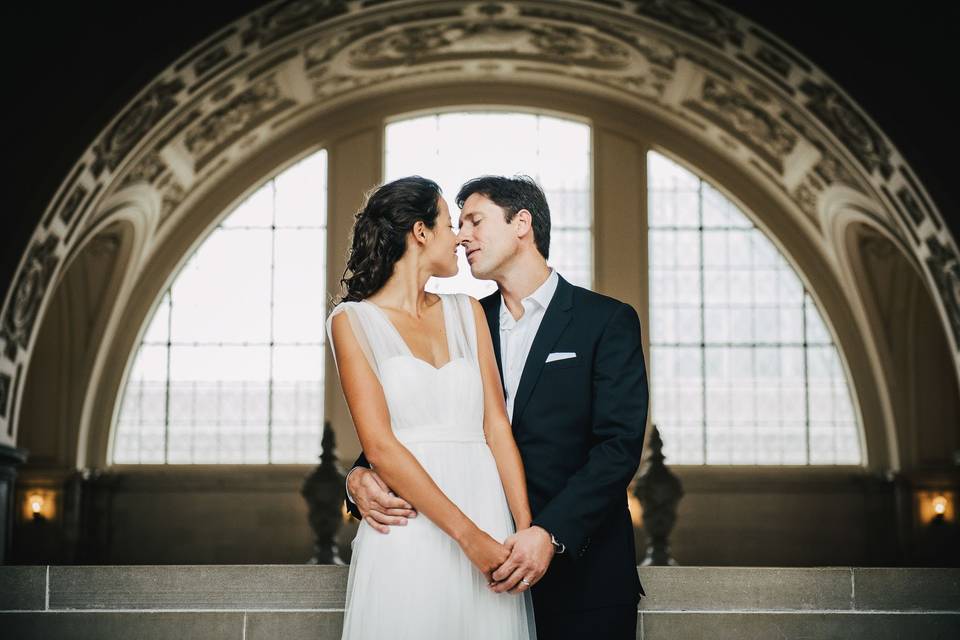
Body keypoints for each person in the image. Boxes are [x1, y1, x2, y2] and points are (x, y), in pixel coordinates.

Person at [345, 175, 649, 639]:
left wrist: (546, 533)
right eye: (457, 222)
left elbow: (618, 447)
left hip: (581, 571)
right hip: (467, 565)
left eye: (475, 220)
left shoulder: (605, 321)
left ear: (521, 223)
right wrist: (356, 478)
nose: (463, 235)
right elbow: (409, 424)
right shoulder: (461, 316)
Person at [325, 176, 536, 639]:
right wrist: (468, 538)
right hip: (412, 522)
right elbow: (379, 446)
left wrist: (523, 529)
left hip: (488, 510)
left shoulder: (467, 311)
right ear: (420, 232)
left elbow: (496, 426)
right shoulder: (351, 321)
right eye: (447, 224)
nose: (459, 236)